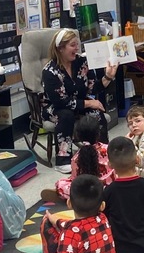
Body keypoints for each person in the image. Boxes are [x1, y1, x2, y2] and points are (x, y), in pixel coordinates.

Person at [41, 28, 116, 173]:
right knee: (66, 114)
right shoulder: (50, 71)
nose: (77, 48)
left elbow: (93, 88)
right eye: (73, 45)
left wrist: (108, 77)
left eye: (77, 45)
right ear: (60, 48)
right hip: (54, 107)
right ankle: (62, 159)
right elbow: (60, 102)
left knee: (96, 113)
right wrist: (88, 102)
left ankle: (101, 152)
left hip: (79, 103)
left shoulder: (82, 62)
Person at [102, 136, 144, 253]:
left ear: (109, 165)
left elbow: (105, 217)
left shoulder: (109, 190)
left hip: (117, 249)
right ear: (137, 159)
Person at [44, 115, 114, 203]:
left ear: (77, 136)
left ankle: (78, 197)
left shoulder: (76, 158)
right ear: (98, 133)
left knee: (61, 183)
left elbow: (75, 180)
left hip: (86, 191)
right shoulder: (109, 149)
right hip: (108, 188)